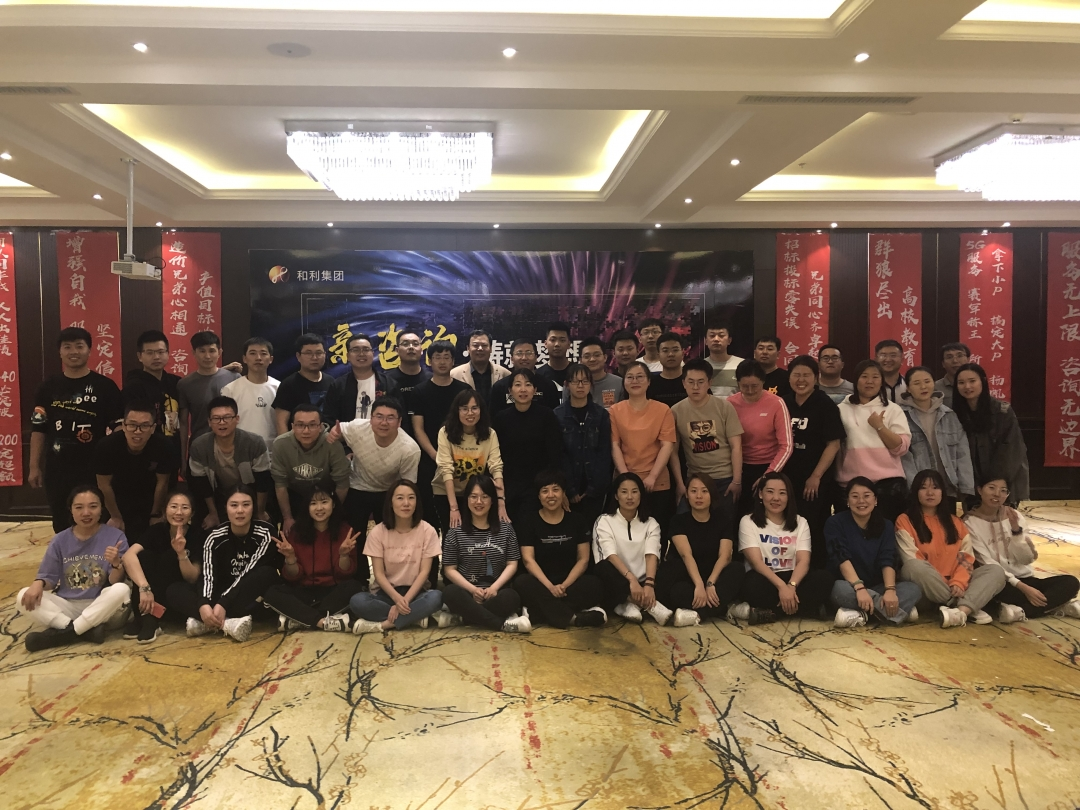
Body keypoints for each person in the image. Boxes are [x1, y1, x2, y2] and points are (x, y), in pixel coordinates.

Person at [30, 326, 124, 533]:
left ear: (89, 350)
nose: (74, 352)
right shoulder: (48, 387)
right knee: (62, 521)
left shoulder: (105, 386)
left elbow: (118, 428)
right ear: (60, 352)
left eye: (79, 346)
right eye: (67, 347)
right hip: (58, 468)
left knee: (97, 520)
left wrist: (118, 463)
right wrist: (34, 466)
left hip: (95, 468)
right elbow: (38, 428)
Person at [17, 486, 130, 651]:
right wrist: (38, 583)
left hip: (103, 607)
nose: (86, 513)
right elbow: (49, 579)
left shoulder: (115, 536)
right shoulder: (60, 540)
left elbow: (114, 581)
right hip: (68, 606)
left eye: (93, 506)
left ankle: (64, 632)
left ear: (101, 509)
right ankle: (84, 631)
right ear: (71, 510)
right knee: (23, 596)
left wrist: (115, 563)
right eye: (79, 507)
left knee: (121, 590)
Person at [896, 469, 1006, 628]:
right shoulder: (905, 520)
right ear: (915, 492)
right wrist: (949, 586)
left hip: (957, 585)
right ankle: (967, 606)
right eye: (923, 488)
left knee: (995, 571)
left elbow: (966, 558)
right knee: (913, 566)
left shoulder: (956, 522)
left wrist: (958, 582)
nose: (930, 493)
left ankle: (959, 612)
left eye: (935, 488)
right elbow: (911, 557)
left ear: (942, 492)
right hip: (928, 588)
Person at [171, 486, 282, 642]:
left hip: (248, 595)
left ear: (253, 508)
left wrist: (224, 603)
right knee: (174, 590)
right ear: (226, 508)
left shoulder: (266, 533)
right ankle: (226, 623)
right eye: (234, 505)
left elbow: (250, 571)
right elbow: (207, 574)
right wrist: (204, 604)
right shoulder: (214, 537)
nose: (240, 511)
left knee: (266, 574)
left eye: (246, 505)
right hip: (222, 595)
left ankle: (208, 623)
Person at [329, 396, 421, 586]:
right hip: (357, 486)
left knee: (391, 536)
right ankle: (357, 580)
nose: (384, 422)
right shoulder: (357, 427)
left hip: (388, 491)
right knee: (354, 535)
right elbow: (337, 430)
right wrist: (333, 435)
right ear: (370, 419)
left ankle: (392, 580)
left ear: (399, 422)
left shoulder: (410, 449)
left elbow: (406, 486)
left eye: (390, 418)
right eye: (379, 416)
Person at [963, 473, 1080, 621]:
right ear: (980, 490)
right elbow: (987, 562)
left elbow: (1027, 559)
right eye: (991, 488)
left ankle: (1022, 611)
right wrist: (1023, 588)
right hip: (1000, 583)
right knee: (991, 592)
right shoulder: (969, 522)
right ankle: (1055, 606)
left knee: (1070, 582)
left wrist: (1016, 532)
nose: (997, 494)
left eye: (1003, 490)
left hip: (1025, 578)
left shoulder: (1014, 515)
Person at [730, 472, 832, 625]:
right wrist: (782, 587)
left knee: (824, 578)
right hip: (765, 578)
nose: (776, 498)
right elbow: (756, 563)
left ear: (789, 496)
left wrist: (791, 586)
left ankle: (769, 613)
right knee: (751, 585)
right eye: (770, 492)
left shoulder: (800, 522)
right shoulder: (748, 521)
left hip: (793, 579)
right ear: (760, 494)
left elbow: (804, 561)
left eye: (782, 493)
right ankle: (806, 609)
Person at [262, 487, 363, 632]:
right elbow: (292, 577)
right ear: (307, 507)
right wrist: (290, 558)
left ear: (333, 504)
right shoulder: (296, 532)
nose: (319, 508)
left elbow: (346, 574)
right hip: (304, 591)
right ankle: (322, 621)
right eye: (313, 503)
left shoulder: (345, 531)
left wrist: (344, 555)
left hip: (333, 590)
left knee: (355, 587)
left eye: (324, 502)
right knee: (273, 592)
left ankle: (301, 619)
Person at [350, 480, 445, 634]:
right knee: (357, 601)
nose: (406, 503)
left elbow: (424, 573)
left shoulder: (428, 530)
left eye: (411, 498)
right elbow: (379, 574)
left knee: (437, 597)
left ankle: (385, 624)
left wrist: (405, 600)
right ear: (390, 502)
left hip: (416, 592)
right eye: (400, 498)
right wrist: (397, 600)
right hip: (386, 593)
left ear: (417, 502)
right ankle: (415, 617)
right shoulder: (378, 532)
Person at [514, 471, 606, 628]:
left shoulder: (577, 520)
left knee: (594, 584)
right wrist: (550, 587)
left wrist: (564, 586)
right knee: (521, 582)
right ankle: (573, 618)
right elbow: (528, 560)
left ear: (564, 493)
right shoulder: (529, 521)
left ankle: (538, 613)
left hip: (569, 582)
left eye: (556, 490)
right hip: (541, 582)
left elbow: (583, 559)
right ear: (538, 496)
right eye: (545, 491)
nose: (551, 495)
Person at [441, 474, 532, 633]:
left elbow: (512, 564)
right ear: (467, 499)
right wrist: (473, 590)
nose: (479, 502)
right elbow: (449, 569)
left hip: (496, 593)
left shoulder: (506, 529)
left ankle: (464, 617)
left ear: (492, 500)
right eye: (474, 497)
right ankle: (502, 624)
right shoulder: (455, 531)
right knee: (450, 592)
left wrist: (494, 588)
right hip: (467, 593)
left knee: (512, 597)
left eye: (484, 497)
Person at [826, 477, 921, 628]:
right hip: (850, 585)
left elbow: (887, 559)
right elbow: (841, 557)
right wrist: (859, 588)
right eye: (855, 496)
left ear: (875, 500)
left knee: (913, 589)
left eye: (866, 496)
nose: (861, 501)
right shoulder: (835, 523)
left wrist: (890, 590)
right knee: (839, 589)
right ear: (847, 501)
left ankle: (861, 615)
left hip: (878, 587)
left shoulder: (886, 525)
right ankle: (896, 613)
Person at [655, 473, 744, 626]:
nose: (699, 496)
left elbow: (725, 556)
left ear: (712, 495)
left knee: (737, 569)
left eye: (704, 491)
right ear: (687, 495)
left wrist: (710, 584)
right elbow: (686, 555)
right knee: (676, 589)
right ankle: (721, 608)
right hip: (689, 578)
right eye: (693, 491)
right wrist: (699, 586)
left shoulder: (723, 519)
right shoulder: (678, 521)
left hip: (714, 577)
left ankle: (696, 614)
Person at [782, 355, 844, 567]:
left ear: (816, 378)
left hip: (815, 481)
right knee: (787, 525)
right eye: (796, 375)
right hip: (787, 478)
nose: (801, 380)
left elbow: (833, 444)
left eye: (806, 375)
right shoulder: (783, 402)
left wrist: (816, 476)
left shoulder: (825, 404)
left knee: (812, 526)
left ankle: (815, 571)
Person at [119, 489, 204, 643]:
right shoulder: (157, 530)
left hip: (176, 597)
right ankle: (146, 617)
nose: (179, 512)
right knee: (144, 557)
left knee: (169, 557)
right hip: (149, 596)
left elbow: (192, 578)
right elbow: (128, 556)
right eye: (174, 507)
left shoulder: (198, 535)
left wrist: (181, 553)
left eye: (185, 507)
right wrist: (144, 587)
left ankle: (149, 618)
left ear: (192, 513)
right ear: (165, 510)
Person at [609, 361, 677, 541]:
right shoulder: (615, 410)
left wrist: (653, 476)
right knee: (625, 534)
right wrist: (626, 478)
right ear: (624, 382)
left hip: (656, 482)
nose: (635, 381)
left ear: (649, 381)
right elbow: (615, 445)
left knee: (656, 533)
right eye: (630, 377)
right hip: (625, 481)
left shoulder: (663, 410)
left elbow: (667, 446)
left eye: (640, 377)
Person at [836, 359, 911, 521]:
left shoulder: (892, 409)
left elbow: (901, 448)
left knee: (886, 532)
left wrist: (879, 427)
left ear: (882, 381)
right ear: (856, 380)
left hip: (887, 485)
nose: (869, 381)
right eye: (864, 376)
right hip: (850, 484)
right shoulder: (841, 409)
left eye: (875, 377)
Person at [408, 340, 472, 528]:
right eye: (437, 357)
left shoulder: (464, 390)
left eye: (446, 357)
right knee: (430, 513)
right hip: (430, 459)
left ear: (453, 361)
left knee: (462, 513)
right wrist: (435, 455)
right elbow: (418, 429)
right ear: (429, 361)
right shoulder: (419, 391)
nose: (442, 362)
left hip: (462, 458)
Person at [592, 472, 671, 624]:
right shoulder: (604, 521)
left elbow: (652, 554)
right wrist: (631, 581)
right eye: (624, 492)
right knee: (602, 568)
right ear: (616, 496)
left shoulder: (651, 523)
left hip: (645, 581)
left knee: (672, 566)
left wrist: (649, 584)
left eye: (634, 491)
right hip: (619, 581)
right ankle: (645, 605)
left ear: (641, 495)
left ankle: (632, 603)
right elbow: (610, 555)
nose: (630, 497)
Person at [95, 402, 178, 541]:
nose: (138, 431)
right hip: (116, 500)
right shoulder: (106, 446)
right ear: (124, 426)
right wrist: (115, 516)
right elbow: (104, 485)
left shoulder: (164, 446)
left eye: (144, 426)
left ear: (153, 428)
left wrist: (155, 514)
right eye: (132, 425)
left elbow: (162, 483)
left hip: (149, 499)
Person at [188, 396, 273, 529]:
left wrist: (259, 512)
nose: (222, 422)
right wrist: (213, 513)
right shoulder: (199, 446)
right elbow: (202, 484)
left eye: (227, 417)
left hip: (251, 495)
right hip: (218, 496)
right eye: (216, 418)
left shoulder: (255, 443)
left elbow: (263, 481)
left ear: (237, 419)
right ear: (209, 422)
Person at [899, 366, 974, 513]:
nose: (923, 386)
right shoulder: (900, 415)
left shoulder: (949, 414)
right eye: (917, 383)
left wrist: (966, 486)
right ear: (908, 388)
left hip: (947, 486)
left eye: (927, 381)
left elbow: (962, 453)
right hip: (918, 490)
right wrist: (915, 487)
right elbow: (903, 457)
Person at [953, 362, 1030, 505]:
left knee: (1001, 518)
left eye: (972, 381)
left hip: (1002, 482)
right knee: (975, 518)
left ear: (983, 381)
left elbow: (1011, 449)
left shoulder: (1002, 411)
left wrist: (992, 483)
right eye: (961, 382)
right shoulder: (955, 414)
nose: (967, 386)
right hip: (972, 485)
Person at [493, 368, 564, 521]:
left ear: (535, 390)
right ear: (510, 390)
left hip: (539, 485)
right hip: (509, 485)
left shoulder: (547, 415)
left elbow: (554, 453)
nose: (523, 389)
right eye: (518, 385)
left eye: (528, 384)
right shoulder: (501, 418)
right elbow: (496, 454)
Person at [434, 390, 507, 537]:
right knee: (452, 535)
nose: (470, 413)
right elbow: (446, 469)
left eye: (474, 408)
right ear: (457, 411)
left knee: (476, 535)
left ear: (481, 410)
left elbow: (496, 467)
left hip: (475, 494)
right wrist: (454, 508)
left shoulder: (490, 434)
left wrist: (501, 502)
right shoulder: (445, 432)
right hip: (446, 493)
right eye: (464, 408)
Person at [669, 359, 743, 503]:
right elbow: (673, 451)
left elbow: (736, 446)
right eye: (691, 382)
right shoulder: (675, 411)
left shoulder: (724, 407)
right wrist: (680, 483)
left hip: (725, 478)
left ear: (709, 383)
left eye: (701, 382)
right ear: (683, 383)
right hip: (695, 478)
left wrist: (736, 481)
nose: (695, 387)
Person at [726, 360, 792, 519]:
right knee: (736, 514)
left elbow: (787, 445)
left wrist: (768, 475)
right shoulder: (729, 404)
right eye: (744, 386)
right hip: (737, 466)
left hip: (769, 465)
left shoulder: (776, 403)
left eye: (754, 386)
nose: (749, 391)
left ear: (763, 382)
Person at [271, 403, 351, 536]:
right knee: (291, 534)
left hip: (327, 495)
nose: (306, 431)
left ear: (320, 427)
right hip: (295, 494)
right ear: (292, 426)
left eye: (312, 425)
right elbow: (280, 484)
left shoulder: (332, 444)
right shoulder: (280, 444)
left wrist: (332, 512)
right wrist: (287, 518)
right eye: (300, 425)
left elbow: (342, 484)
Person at [554, 363, 612, 531]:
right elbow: (558, 454)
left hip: (595, 488)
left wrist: (593, 489)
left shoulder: (601, 415)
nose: (580, 386)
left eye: (585, 381)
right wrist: (569, 490)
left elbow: (604, 453)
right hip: (567, 487)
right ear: (567, 384)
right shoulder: (557, 415)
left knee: (594, 532)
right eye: (575, 381)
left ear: (591, 384)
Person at [177, 331, 240, 462]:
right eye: (202, 351)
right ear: (193, 353)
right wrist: (183, 459)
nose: (207, 356)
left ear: (219, 352)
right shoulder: (185, 384)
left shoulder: (234, 378)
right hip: (200, 448)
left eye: (212, 351)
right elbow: (183, 423)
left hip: (233, 447)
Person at [123, 329, 181, 463]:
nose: (156, 357)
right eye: (150, 352)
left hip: (172, 450)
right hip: (145, 454)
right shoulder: (133, 386)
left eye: (161, 352)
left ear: (168, 353)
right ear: (140, 356)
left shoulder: (176, 383)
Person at [221, 337, 279, 457]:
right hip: (240, 453)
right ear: (244, 359)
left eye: (263, 353)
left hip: (272, 453)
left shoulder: (279, 388)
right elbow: (225, 424)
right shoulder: (230, 389)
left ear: (271, 359)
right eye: (252, 353)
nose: (258, 358)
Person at [323, 333, 391, 427]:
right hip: (348, 435)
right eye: (355, 350)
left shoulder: (388, 383)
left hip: (382, 435)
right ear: (348, 356)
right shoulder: (338, 385)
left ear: (373, 354)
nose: (361, 354)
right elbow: (329, 418)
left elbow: (399, 416)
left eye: (366, 349)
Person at [272, 333, 333, 434]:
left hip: (326, 440)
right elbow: (281, 423)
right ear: (298, 356)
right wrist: (286, 443)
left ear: (325, 354)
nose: (314, 357)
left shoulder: (331, 382)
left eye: (319, 353)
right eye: (308, 353)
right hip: (298, 441)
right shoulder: (288, 384)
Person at [490, 339, 561, 417]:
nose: (524, 358)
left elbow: (555, 415)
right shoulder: (499, 387)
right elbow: (493, 418)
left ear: (536, 358)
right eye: (519, 353)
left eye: (529, 353)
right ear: (512, 359)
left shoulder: (548, 385)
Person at [451, 329, 509, 403]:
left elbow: (510, 402)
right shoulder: (454, 375)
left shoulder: (505, 374)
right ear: (468, 348)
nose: (480, 348)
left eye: (484, 345)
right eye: (475, 345)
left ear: (491, 348)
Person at [383, 329, 432, 408]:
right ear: (397, 350)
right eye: (405, 344)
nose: (411, 347)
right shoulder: (387, 380)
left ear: (421, 350)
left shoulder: (431, 379)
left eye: (415, 344)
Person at [577, 336, 623, 408]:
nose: (592, 359)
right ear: (581, 360)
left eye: (597, 355)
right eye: (587, 356)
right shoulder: (572, 385)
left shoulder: (619, 383)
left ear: (605, 357)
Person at [647, 332, 688, 408]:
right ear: (658, 355)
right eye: (665, 351)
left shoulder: (692, 381)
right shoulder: (650, 384)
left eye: (675, 350)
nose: (670, 354)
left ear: (683, 353)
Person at [705, 323, 743, 398]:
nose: (716, 339)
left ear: (729, 340)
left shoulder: (741, 365)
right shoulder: (700, 367)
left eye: (721, 336)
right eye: (712, 336)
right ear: (706, 341)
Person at [534, 322, 572, 389]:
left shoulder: (578, 373)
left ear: (569, 344)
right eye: (553, 340)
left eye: (562, 340)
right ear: (545, 343)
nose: (557, 344)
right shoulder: (538, 375)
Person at [935, 343, 970, 409]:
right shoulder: (935, 388)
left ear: (968, 359)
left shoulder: (976, 385)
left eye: (960, 356)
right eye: (949, 357)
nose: (955, 361)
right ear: (943, 363)